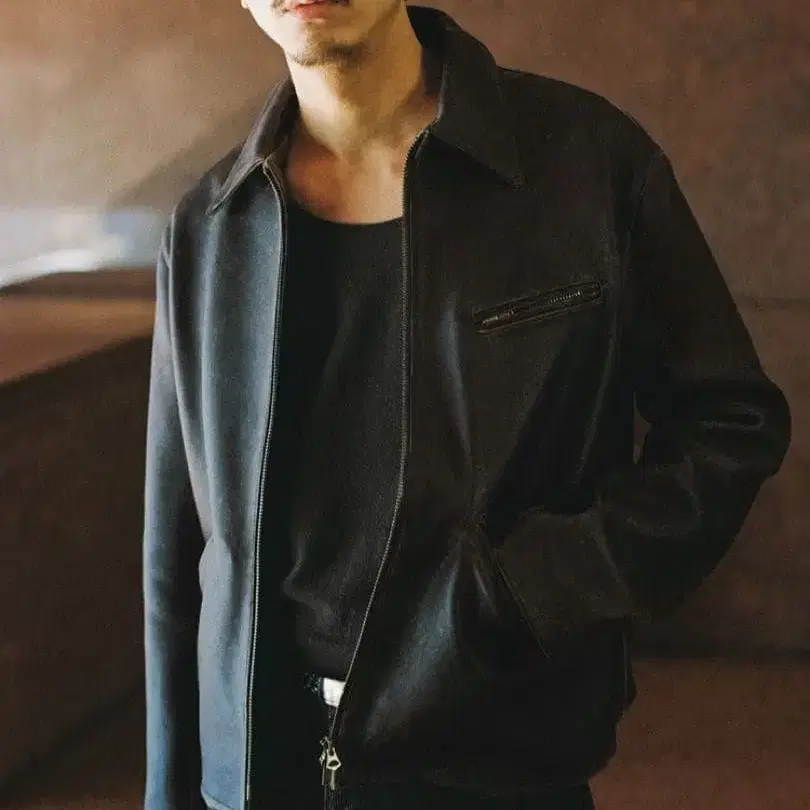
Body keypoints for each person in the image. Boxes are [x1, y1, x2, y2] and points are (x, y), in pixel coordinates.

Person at [141, 2, 792, 809]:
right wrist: (173, 791)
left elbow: (730, 421)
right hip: (260, 771)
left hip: (494, 753)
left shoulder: (583, 162)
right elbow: (178, 556)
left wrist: (540, 585)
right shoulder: (209, 228)